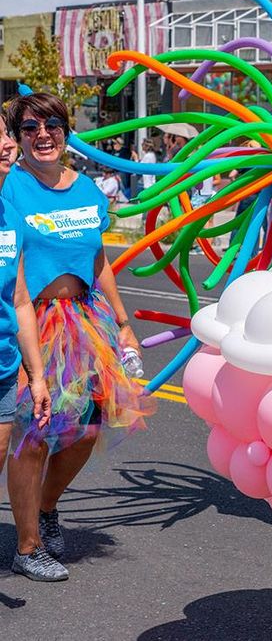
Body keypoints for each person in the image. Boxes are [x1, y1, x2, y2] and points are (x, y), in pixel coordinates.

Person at [1, 93, 155, 581]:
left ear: (67, 131)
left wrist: (124, 323)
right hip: (33, 321)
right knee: (32, 433)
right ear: (17, 137)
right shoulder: (10, 189)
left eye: (52, 125)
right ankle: (27, 546)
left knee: (88, 427)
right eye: (29, 127)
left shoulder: (88, 190)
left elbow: (99, 261)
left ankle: (46, 508)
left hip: (86, 320)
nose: (42, 134)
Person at [0, 114, 52, 514]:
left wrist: (36, 377)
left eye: (5, 134)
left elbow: (19, 300)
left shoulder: (10, 217)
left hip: (3, 367)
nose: (6, 144)